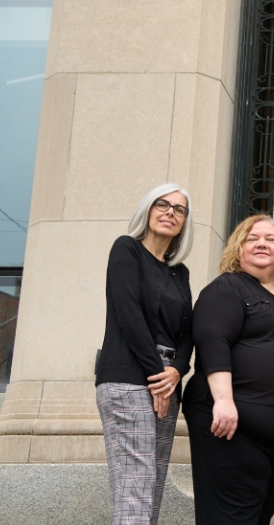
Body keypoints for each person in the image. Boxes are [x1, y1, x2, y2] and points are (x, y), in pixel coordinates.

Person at [183, 215, 274, 524]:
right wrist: (223, 400)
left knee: (257, 519)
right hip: (235, 426)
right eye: (252, 238)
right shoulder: (227, 287)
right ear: (238, 248)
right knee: (231, 518)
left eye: (270, 239)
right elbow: (213, 341)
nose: (262, 243)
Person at [95, 183, 194, 525]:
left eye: (179, 209)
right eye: (162, 205)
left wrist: (178, 371)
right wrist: (158, 379)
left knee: (151, 488)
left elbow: (188, 330)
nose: (170, 212)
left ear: (184, 222)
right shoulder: (126, 250)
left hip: (166, 381)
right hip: (129, 379)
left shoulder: (180, 273)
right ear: (148, 210)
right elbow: (129, 314)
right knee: (134, 486)